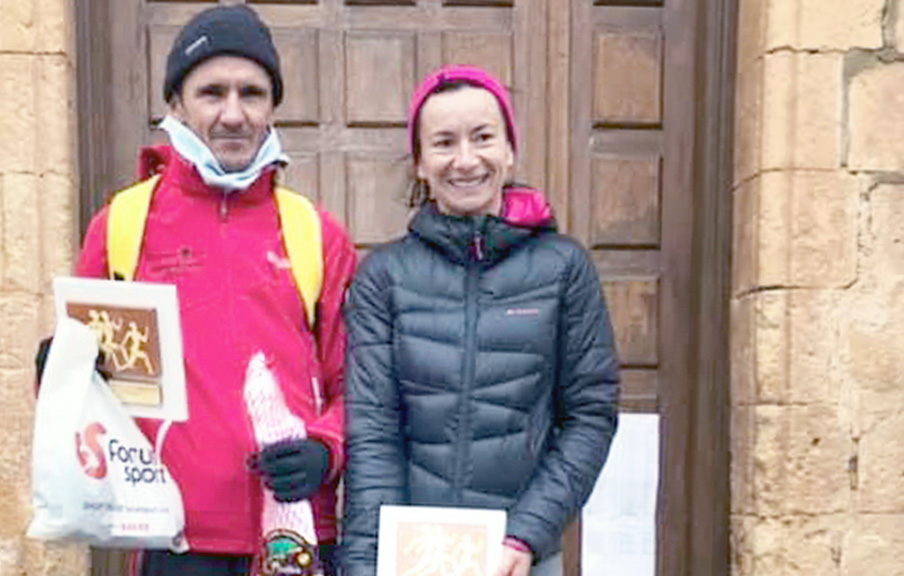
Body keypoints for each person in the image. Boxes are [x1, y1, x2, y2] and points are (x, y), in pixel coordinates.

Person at [56, 5, 356, 575]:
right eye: (211, 93)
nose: (234, 114)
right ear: (176, 104)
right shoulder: (124, 225)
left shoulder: (316, 233)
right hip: (172, 541)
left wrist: (325, 449)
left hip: (291, 537)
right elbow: (85, 393)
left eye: (253, 93)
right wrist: (60, 366)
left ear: (273, 107)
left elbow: (356, 384)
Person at [341, 65, 620, 576]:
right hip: (414, 557)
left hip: (517, 558)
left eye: (483, 137)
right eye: (444, 143)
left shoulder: (563, 268)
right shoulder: (384, 277)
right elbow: (373, 434)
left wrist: (527, 532)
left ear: (509, 151)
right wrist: (363, 565)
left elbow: (590, 415)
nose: (466, 160)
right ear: (421, 163)